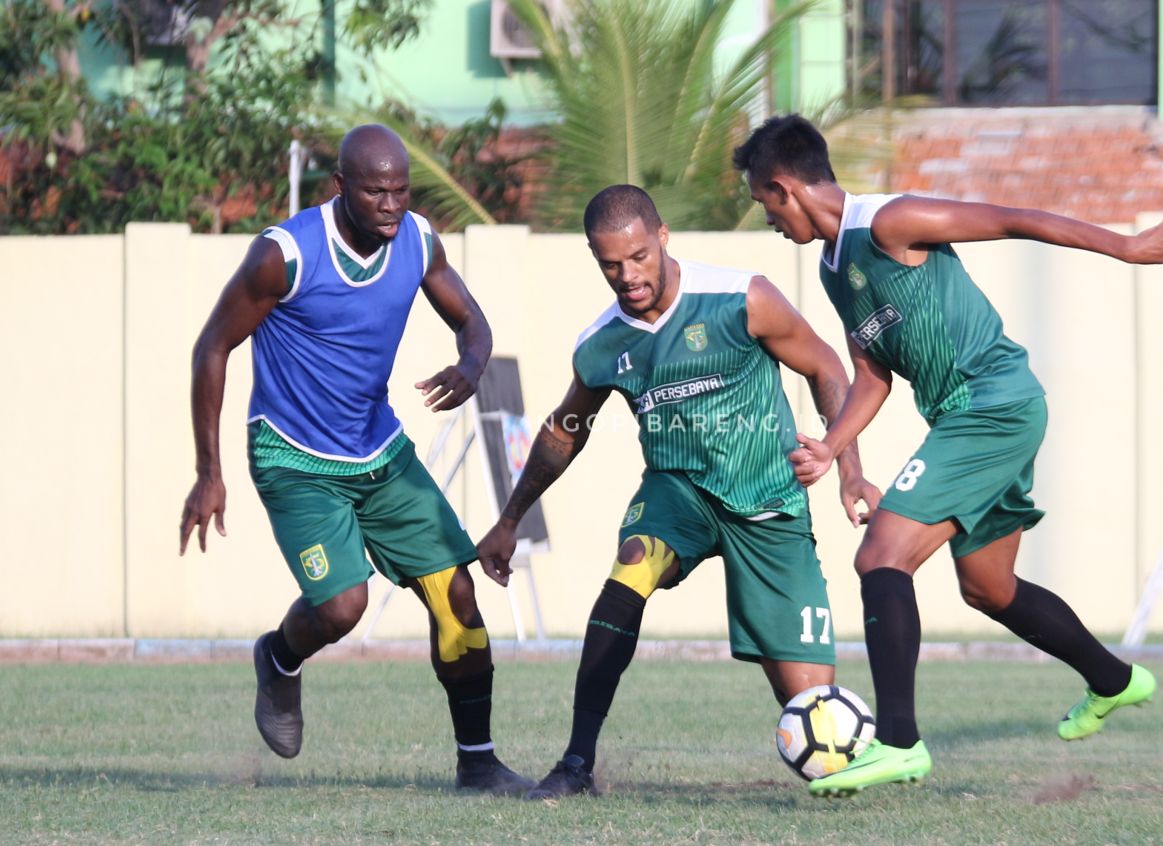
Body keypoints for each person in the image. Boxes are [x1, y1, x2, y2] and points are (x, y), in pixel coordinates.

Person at [733, 115, 1163, 797]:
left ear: (783, 187)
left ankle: (898, 742)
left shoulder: (891, 221)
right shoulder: (837, 270)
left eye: (762, 203)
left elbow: (1012, 218)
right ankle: (1115, 680)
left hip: (992, 404)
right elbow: (872, 377)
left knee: (880, 556)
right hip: (973, 416)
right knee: (989, 587)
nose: (767, 220)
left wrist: (1125, 247)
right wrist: (836, 450)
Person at [476, 184, 879, 799]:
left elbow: (827, 366)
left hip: (766, 501)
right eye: (610, 263)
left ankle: (843, 757)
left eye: (638, 256)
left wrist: (847, 468)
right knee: (631, 569)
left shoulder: (741, 298)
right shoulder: (602, 343)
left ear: (661, 238)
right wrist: (509, 519)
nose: (627, 275)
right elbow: (565, 431)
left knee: (814, 713)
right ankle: (576, 764)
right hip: (677, 494)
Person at [178, 124, 531, 795]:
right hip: (293, 456)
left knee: (457, 595)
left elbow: (472, 321)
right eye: (376, 192)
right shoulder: (284, 256)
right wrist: (208, 472)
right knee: (343, 607)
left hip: (380, 452)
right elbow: (211, 349)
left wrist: (472, 362)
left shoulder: (419, 239)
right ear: (339, 186)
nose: (392, 205)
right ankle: (280, 659)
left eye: (401, 191)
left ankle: (479, 763)